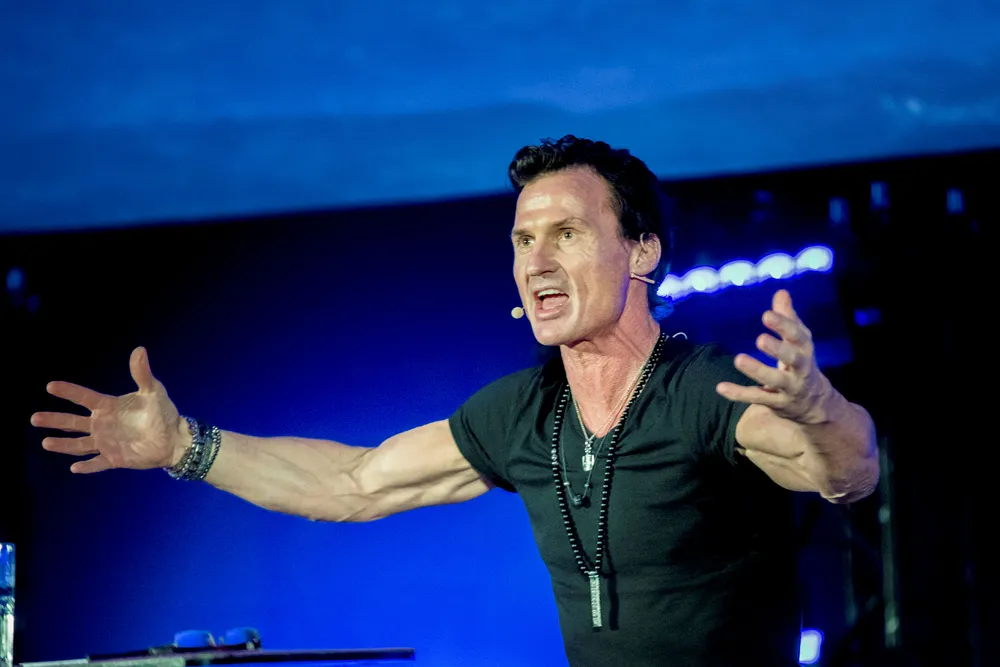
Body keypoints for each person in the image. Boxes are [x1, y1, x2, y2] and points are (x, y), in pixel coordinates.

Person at [31, 136, 878, 666]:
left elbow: (849, 472)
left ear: (642, 250)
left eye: (567, 233)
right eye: (523, 239)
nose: (537, 260)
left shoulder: (705, 388)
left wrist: (820, 409)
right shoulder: (521, 413)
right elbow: (355, 482)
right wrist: (186, 445)